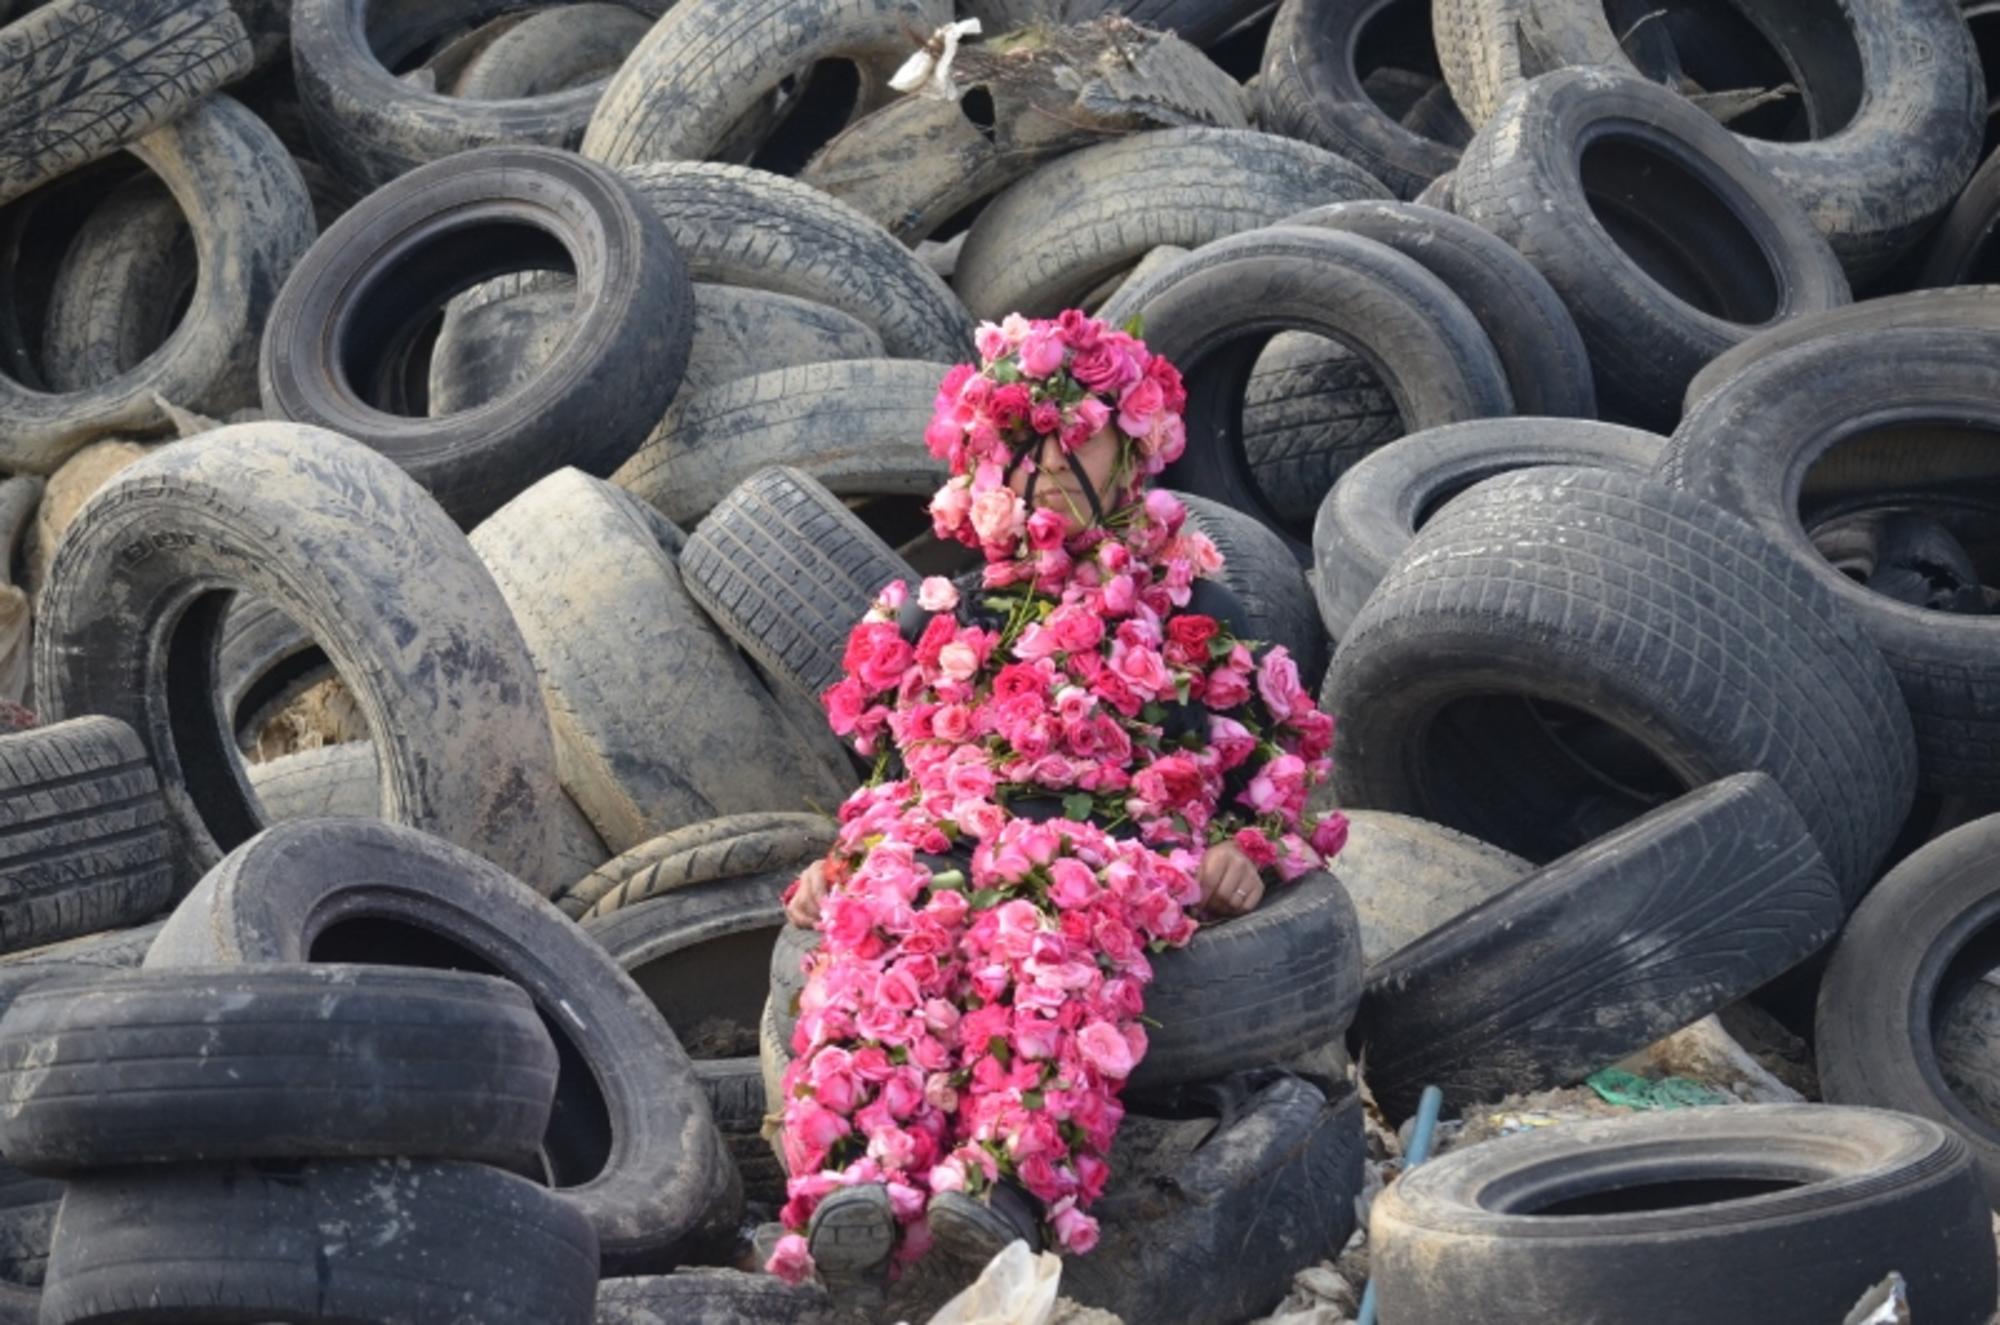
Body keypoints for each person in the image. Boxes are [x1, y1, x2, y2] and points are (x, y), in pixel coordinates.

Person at [764, 311, 1346, 1304]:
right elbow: (889, 770)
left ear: (1130, 445)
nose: (1036, 470)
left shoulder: (1194, 614)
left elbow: (1281, 767)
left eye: (1066, 440)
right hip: (943, 826)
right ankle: (859, 1183)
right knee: (884, 923)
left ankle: (1006, 1184)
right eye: (1012, 447)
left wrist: (1243, 846)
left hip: (1102, 837)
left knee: (1044, 938)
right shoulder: (932, 613)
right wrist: (845, 856)